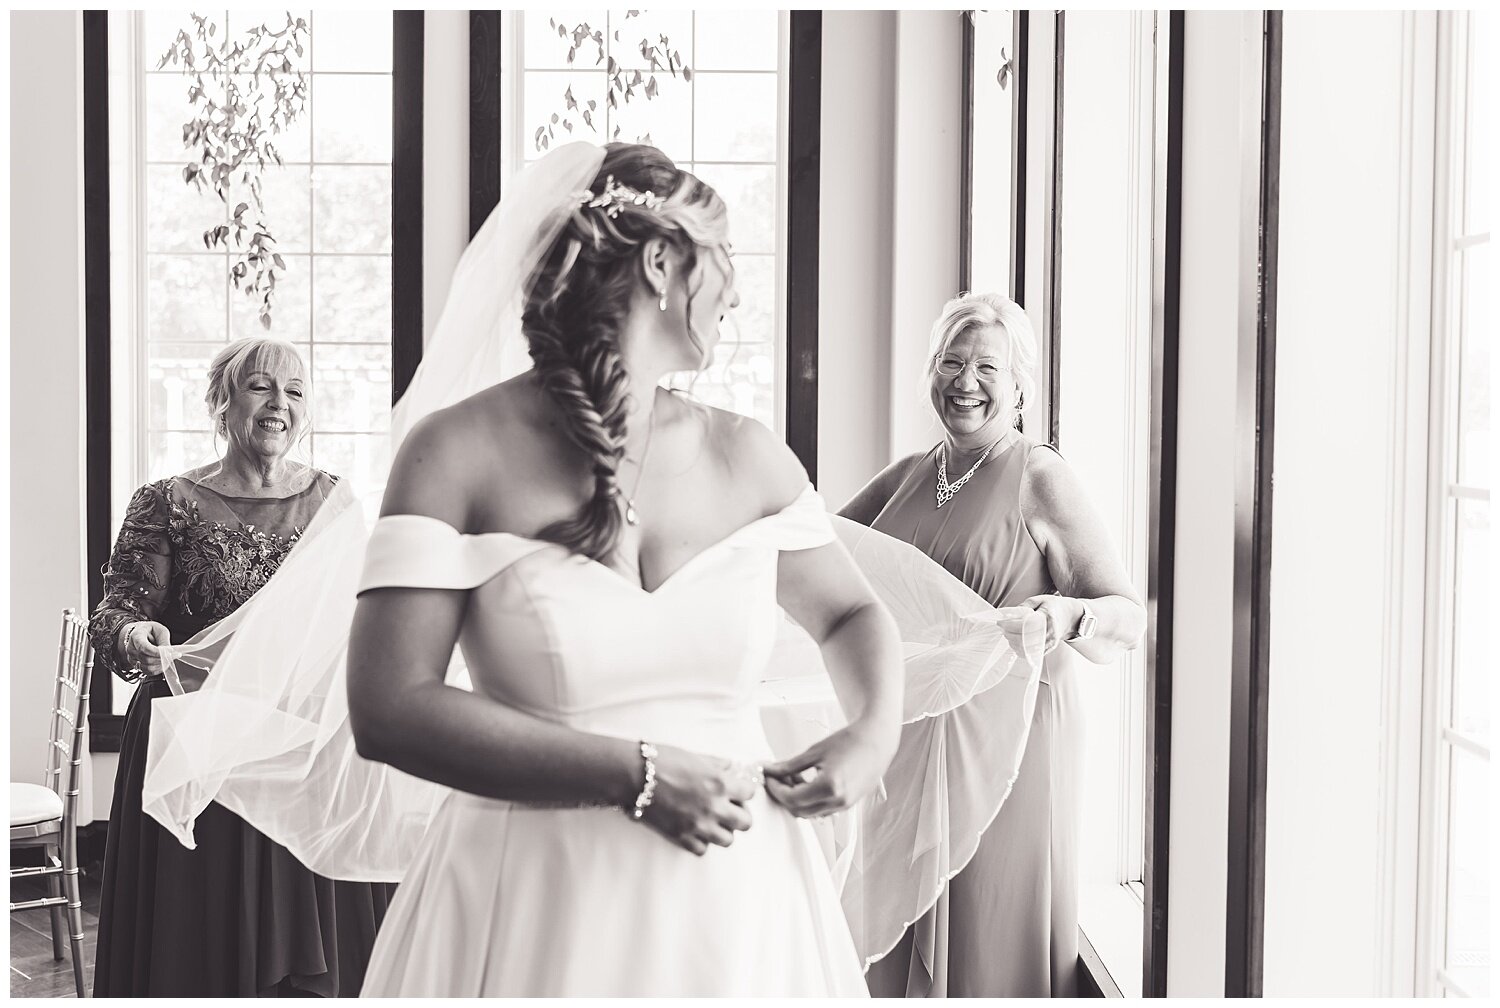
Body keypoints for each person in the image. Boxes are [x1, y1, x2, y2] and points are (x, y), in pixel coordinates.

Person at [343, 142, 905, 996]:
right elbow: (387, 706)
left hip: (744, 909)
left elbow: (851, 616)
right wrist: (634, 775)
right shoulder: (454, 454)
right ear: (659, 261)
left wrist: (873, 731)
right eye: (725, 261)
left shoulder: (748, 455)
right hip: (536, 902)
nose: (740, 291)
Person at [843, 292, 1146, 997]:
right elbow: (816, 553)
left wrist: (1066, 614)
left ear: (1020, 387)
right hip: (914, 739)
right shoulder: (910, 476)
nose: (965, 381)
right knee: (893, 916)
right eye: (950, 361)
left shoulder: (1040, 476)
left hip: (1015, 740)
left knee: (987, 923)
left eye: (986, 366)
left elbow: (1126, 616)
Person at [87, 337, 393, 997]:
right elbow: (112, 617)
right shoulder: (165, 502)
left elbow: (361, 622)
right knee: (201, 943)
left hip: (296, 744)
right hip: (192, 740)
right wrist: (137, 633)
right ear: (223, 401)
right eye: (261, 386)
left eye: (296, 390)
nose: (279, 403)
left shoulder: (335, 503)